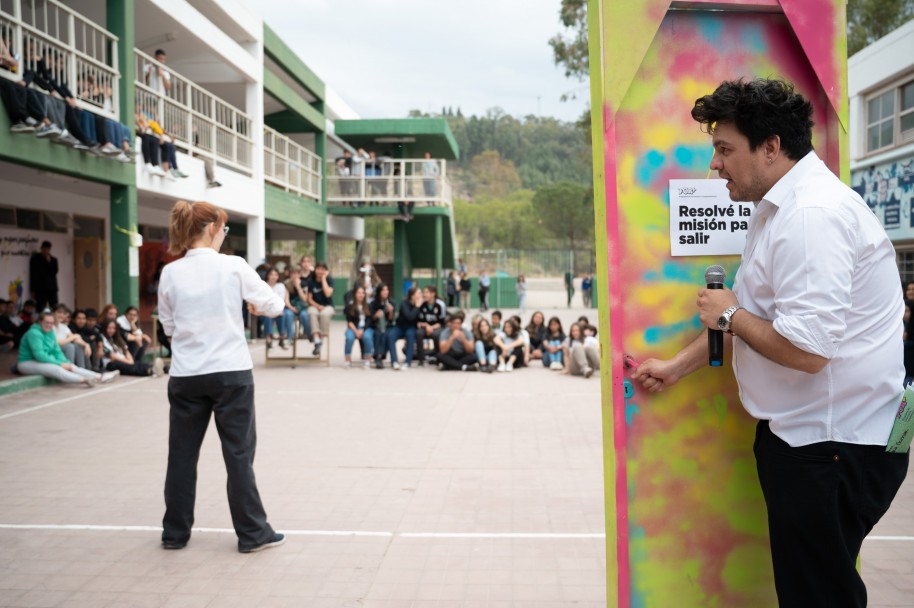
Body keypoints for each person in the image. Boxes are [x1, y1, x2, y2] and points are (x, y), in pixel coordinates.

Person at [631, 78, 908, 607]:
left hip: (831, 447)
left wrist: (730, 312)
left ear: (772, 147)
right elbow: (762, 323)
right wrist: (678, 365)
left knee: (819, 597)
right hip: (809, 441)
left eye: (725, 149)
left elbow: (806, 351)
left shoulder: (811, 217)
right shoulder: (781, 208)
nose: (715, 164)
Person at [157, 200, 286, 554]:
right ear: (213, 228)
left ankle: (174, 533)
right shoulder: (233, 266)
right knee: (238, 454)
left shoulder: (170, 273)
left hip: (186, 375)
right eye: (224, 229)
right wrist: (257, 305)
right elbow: (275, 305)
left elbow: (168, 327)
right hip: (231, 373)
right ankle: (252, 534)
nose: (223, 236)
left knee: (181, 455)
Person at [17, 309, 117, 386]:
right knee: (56, 368)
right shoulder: (34, 333)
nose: (49, 325)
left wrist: (65, 362)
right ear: (39, 322)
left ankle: (100, 377)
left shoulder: (50, 332)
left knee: (71, 366)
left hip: (42, 361)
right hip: (27, 363)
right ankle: (84, 380)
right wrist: (60, 363)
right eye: (46, 322)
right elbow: (39, 355)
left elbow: (56, 350)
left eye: (51, 323)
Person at [387, 286, 422, 370]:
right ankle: (394, 362)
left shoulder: (422, 304)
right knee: (391, 336)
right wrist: (417, 307)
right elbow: (410, 317)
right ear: (413, 295)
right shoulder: (404, 303)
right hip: (400, 326)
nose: (421, 295)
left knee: (410, 335)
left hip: (411, 327)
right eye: (419, 293)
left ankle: (408, 362)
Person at [261, 268, 293, 350]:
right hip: (265, 310)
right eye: (271, 274)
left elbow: (280, 300)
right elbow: (263, 300)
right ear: (267, 275)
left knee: (282, 315)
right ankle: (269, 341)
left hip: (278, 309)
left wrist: (276, 311)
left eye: (276, 275)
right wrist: (271, 311)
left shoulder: (281, 286)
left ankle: (282, 338)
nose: (273, 277)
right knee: (268, 317)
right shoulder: (263, 285)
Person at [306, 262, 334, 356]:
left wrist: (323, 279)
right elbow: (309, 299)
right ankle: (316, 340)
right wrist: (317, 306)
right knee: (311, 312)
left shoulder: (329, 280)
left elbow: (328, 294)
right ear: (315, 269)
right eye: (318, 269)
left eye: (323, 269)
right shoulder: (311, 281)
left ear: (326, 271)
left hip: (327, 306)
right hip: (314, 306)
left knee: (324, 314)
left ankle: (321, 341)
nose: (320, 271)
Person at [343, 285, 374, 369]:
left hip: (366, 327)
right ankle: (347, 360)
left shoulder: (369, 306)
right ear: (355, 294)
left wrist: (362, 329)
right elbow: (349, 322)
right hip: (353, 327)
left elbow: (370, 321)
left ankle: (368, 360)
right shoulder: (350, 306)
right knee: (349, 337)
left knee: (367, 337)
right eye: (358, 293)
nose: (361, 295)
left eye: (362, 293)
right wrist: (356, 331)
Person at [53, 305, 91, 370]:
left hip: (64, 349)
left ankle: (83, 369)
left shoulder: (63, 326)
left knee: (78, 345)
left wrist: (86, 345)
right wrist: (73, 337)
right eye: (59, 312)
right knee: (70, 346)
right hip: (54, 350)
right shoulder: (49, 325)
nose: (61, 315)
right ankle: (70, 369)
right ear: (53, 313)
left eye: (64, 313)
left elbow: (76, 338)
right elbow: (57, 342)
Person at [415, 285, 446, 365]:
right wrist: (426, 327)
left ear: (433, 294)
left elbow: (442, 322)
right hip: (425, 327)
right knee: (419, 333)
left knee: (436, 334)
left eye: (426, 292)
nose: (424, 294)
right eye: (424, 292)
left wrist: (431, 328)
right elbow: (418, 322)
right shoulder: (422, 304)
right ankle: (421, 359)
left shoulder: (440, 304)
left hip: (437, 327)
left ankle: (438, 357)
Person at [370, 283, 395, 369]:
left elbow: (391, 319)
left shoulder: (391, 302)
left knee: (387, 335)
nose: (386, 292)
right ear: (379, 292)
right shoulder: (373, 303)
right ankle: (378, 357)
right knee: (378, 334)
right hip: (376, 326)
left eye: (387, 290)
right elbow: (370, 318)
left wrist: (391, 311)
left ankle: (381, 355)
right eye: (383, 290)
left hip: (388, 326)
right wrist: (375, 315)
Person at [284, 267, 312, 341]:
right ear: (290, 275)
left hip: (303, 307)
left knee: (304, 315)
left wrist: (298, 287)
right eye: (293, 273)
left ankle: (310, 336)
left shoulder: (304, 284)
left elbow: (305, 300)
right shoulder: (287, 284)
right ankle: (290, 337)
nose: (295, 275)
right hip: (291, 308)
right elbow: (286, 300)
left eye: (297, 273)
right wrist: (292, 308)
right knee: (288, 314)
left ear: (300, 275)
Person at [29, 240, 58, 310]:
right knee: (40, 307)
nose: (46, 251)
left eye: (48, 249)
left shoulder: (53, 260)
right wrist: (32, 289)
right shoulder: (35, 259)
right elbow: (33, 274)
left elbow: (54, 271)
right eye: (44, 249)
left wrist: (49, 262)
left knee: (54, 306)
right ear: (41, 249)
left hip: (51, 287)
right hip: (40, 288)